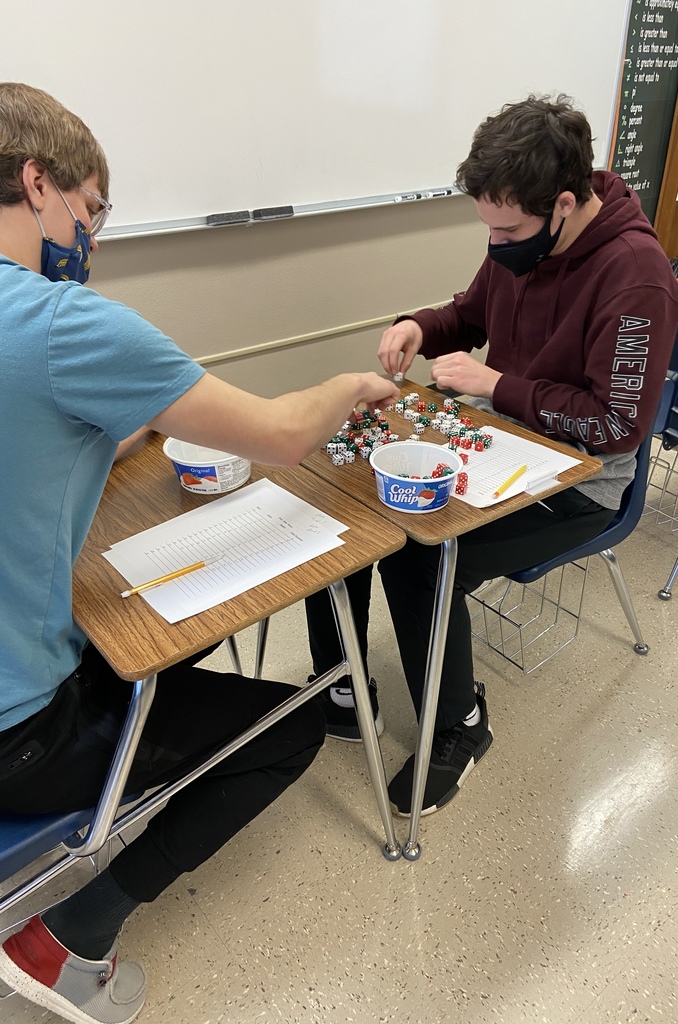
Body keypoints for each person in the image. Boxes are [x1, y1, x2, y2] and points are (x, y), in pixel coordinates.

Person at [0, 82, 399, 1024]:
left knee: (167, 640)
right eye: (91, 210)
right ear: (37, 182)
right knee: (287, 726)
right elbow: (282, 434)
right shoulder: (63, 324)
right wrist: (349, 381)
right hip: (19, 732)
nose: (91, 236)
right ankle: (61, 940)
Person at [306, 94, 678, 818]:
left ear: (564, 204)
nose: (495, 239)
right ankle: (341, 689)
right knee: (342, 495)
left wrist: (499, 384)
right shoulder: (523, 237)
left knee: (420, 559)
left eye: (506, 228)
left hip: (583, 479)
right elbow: (471, 315)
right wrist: (419, 325)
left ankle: (461, 728)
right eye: (488, 224)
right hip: (499, 438)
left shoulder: (637, 277)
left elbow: (617, 429)